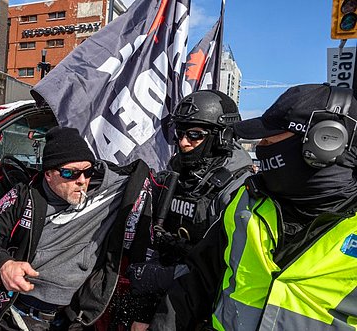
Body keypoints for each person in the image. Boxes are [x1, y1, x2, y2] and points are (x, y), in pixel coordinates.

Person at [149, 84, 357, 330]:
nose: (262, 145)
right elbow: (196, 283)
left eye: (271, 137)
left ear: (326, 141)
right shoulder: (247, 203)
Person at [0, 126, 152, 331]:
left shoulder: (112, 189)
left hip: (75, 318)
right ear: (48, 174)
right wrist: (3, 265)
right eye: (69, 173)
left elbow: (149, 175)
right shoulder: (24, 196)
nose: (81, 181)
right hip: (22, 312)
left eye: (87, 171)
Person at [123, 90, 253, 330]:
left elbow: (230, 269)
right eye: (180, 132)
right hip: (161, 290)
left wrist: (168, 276)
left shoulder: (237, 189)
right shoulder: (176, 173)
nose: (183, 142)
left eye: (194, 135)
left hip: (203, 304)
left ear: (222, 137)